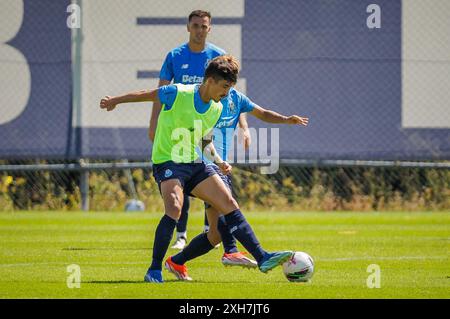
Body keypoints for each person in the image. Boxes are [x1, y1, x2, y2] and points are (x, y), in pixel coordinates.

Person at [100, 55, 308, 283]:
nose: (227, 92)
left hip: (194, 163)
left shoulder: (216, 108)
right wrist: (115, 101)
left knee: (228, 204)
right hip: (168, 161)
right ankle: (154, 270)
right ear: (210, 80)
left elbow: (202, 139)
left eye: (230, 88)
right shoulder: (179, 92)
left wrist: (218, 161)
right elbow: (146, 95)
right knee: (175, 208)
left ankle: (262, 257)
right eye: (225, 86)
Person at [148, 10, 251, 251]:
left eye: (204, 26)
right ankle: (181, 235)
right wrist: (153, 124)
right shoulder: (175, 56)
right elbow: (160, 93)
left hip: (209, 126)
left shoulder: (217, 56)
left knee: (211, 176)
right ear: (188, 27)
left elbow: (233, 96)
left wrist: (244, 126)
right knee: (179, 178)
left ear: (209, 29)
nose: (199, 30)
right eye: (195, 25)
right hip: (178, 128)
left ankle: (210, 232)